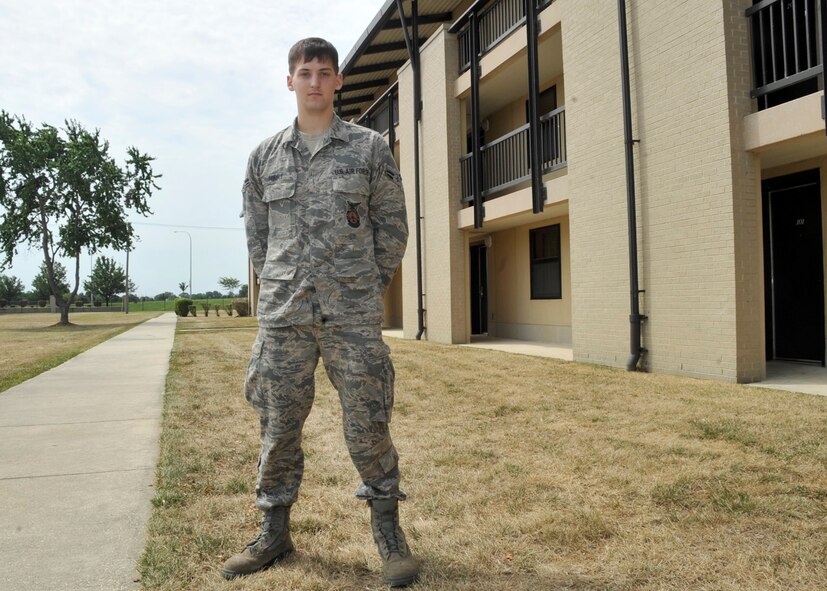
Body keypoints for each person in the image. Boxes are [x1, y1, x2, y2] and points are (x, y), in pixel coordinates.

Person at [221, 38, 418, 588]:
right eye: (303, 72)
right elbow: (258, 241)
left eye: (323, 73)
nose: (313, 82)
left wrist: (361, 287)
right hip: (284, 316)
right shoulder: (264, 157)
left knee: (368, 421)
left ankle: (390, 537)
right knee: (278, 425)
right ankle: (273, 533)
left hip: (351, 316)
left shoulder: (370, 148)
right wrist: (285, 283)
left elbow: (393, 228)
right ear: (290, 82)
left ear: (337, 83)